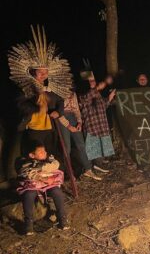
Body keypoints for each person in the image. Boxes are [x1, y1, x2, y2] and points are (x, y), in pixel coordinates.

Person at [8, 26, 73, 156]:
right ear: (33, 72)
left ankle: (53, 175)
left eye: (46, 72)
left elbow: (60, 100)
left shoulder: (50, 89)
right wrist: (36, 108)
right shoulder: (26, 87)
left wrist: (58, 112)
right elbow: (20, 104)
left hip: (49, 127)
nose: (43, 75)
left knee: (50, 155)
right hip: (33, 128)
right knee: (36, 156)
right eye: (40, 72)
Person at [16, 141, 69, 235]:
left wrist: (41, 169)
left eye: (44, 151)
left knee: (57, 192)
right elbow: (28, 173)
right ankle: (29, 224)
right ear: (32, 155)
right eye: (40, 152)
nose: (44, 153)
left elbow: (56, 164)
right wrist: (41, 177)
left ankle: (62, 219)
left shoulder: (48, 158)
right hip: (32, 185)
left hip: (48, 184)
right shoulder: (23, 161)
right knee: (29, 195)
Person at [57, 90, 102, 181]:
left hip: (72, 116)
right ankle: (69, 173)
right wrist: (68, 126)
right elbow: (58, 113)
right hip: (62, 118)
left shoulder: (73, 93)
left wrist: (79, 122)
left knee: (81, 144)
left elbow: (76, 108)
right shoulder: (58, 92)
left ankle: (88, 169)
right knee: (67, 148)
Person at [78, 77, 116, 171]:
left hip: (101, 124)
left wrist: (110, 97)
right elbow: (88, 97)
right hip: (92, 126)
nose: (93, 82)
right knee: (95, 147)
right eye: (90, 80)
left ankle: (100, 163)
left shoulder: (97, 94)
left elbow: (103, 105)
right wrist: (100, 86)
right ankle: (96, 165)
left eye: (94, 80)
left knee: (103, 144)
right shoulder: (83, 95)